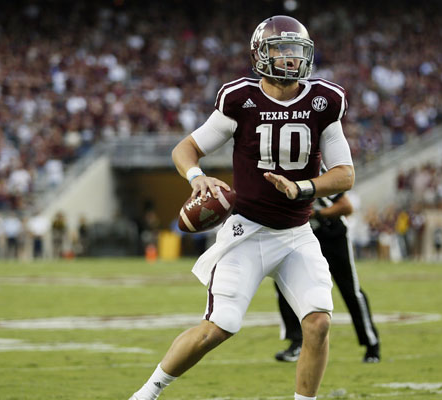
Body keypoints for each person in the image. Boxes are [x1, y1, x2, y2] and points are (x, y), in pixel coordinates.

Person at [129, 15, 354, 400]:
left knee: (317, 323)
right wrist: (196, 176)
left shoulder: (324, 102)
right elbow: (185, 148)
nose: (289, 59)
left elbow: (345, 174)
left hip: (297, 235)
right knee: (219, 326)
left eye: (295, 50)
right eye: (280, 50)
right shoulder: (240, 99)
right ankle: (147, 393)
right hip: (246, 232)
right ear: (260, 55)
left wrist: (302, 187)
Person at [273, 187, 380, 364]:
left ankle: (371, 343)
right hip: (302, 236)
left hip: (331, 234)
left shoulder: (315, 170)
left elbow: (346, 207)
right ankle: (296, 343)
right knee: (285, 285)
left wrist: (316, 213)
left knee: (349, 289)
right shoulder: (277, 172)